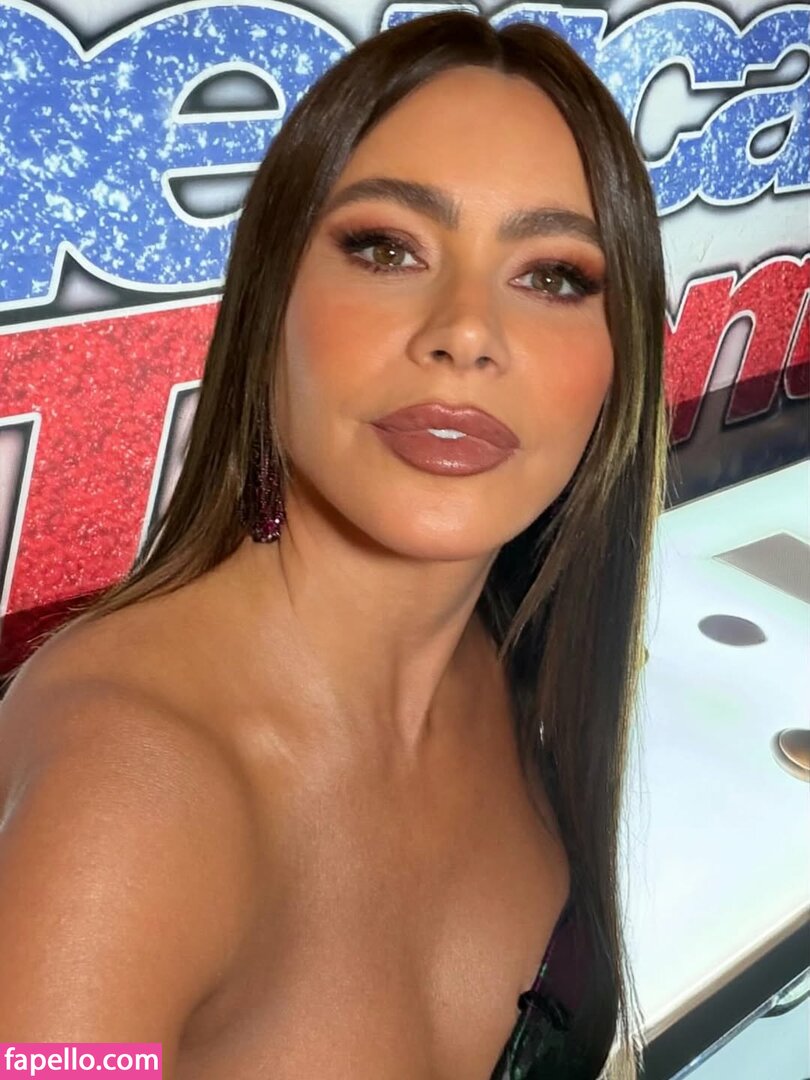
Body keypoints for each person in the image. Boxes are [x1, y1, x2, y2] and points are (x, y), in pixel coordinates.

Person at [0, 11, 667, 1079]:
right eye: (386, 248)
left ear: (619, 353)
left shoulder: (519, 660)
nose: (465, 331)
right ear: (272, 299)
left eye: (552, 275)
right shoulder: (125, 795)